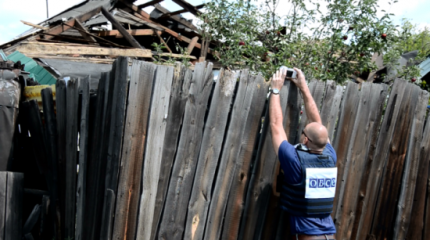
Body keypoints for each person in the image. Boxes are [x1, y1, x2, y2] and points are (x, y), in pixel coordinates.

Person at [269, 68, 337, 240]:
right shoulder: (330, 155)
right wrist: (303, 87)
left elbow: (276, 126)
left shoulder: (295, 160)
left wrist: (275, 90)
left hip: (309, 236)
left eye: (303, 131)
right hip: (330, 234)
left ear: (305, 140)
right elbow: (316, 123)